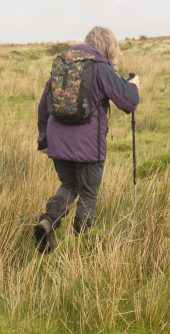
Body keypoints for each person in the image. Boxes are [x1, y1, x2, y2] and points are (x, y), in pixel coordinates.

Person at [35, 26, 141, 254]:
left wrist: (44, 141)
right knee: (88, 194)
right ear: (108, 47)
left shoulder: (62, 64)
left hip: (58, 142)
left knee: (68, 185)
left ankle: (47, 221)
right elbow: (129, 102)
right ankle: (81, 249)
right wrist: (133, 86)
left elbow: (44, 105)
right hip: (88, 146)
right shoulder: (101, 67)